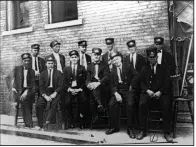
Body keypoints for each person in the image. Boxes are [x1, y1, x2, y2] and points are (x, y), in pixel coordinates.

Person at [136, 46, 173, 142]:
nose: (152, 59)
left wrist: (160, 92)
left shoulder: (163, 68)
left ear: (157, 57)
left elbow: (167, 82)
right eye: (150, 58)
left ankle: (167, 132)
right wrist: (147, 90)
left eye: (154, 57)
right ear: (148, 59)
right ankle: (142, 130)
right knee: (141, 104)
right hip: (148, 93)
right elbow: (141, 82)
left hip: (161, 93)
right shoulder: (144, 68)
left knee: (166, 105)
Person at [105, 52, 140, 139]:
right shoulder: (112, 70)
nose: (115, 61)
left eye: (117, 59)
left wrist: (131, 85)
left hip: (128, 90)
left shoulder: (128, 66)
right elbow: (112, 84)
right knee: (111, 104)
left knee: (130, 104)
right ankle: (114, 127)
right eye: (113, 60)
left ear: (121, 58)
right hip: (118, 90)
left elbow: (137, 75)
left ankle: (130, 128)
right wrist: (116, 94)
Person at [5, 53, 36, 128]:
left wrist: (27, 91)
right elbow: (8, 78)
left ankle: (28, 124)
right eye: (25, 61)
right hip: (16, 92)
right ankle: (25, 124)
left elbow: (32, 83)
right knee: (20, 102)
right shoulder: (17, 69)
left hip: (26, 91)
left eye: (28, 61)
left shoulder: (32, 71)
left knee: (26, 102)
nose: (27, 62)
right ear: (22, 61)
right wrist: (11, 88)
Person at [36, 55, 64, 130]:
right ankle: (41, 124)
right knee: (39, 104)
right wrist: (45, 96)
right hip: (45, 93)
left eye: (52, 63)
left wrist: (55, 93)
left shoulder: (59, 73)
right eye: (48, 63)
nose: (50, 65)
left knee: (54, 103)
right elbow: (41, 86)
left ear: (54, 64)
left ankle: (47, 122)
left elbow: (61, 85)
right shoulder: (42, 74)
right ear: (46, 64)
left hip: (55, 92)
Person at [124, 40, 147, 128]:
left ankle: (138, 123)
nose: (131, 49)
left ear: (135, 47)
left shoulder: (141, 58)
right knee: (130, 104)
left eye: (133, 47)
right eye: (130, 47)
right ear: (128, 48)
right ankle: (132, 123)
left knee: (138, 104)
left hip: (139, 84)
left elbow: (143, 72)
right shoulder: (125, 58)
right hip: (129, 85)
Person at [63, 50, 88, 129]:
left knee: (84, 100)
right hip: (70, 90)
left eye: (75, 57)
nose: (74, 59)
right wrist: (69, 89)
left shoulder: (82, 68)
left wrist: (80, 89)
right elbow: (64, 82)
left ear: (78, 58)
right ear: (70, 59)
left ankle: (81, 121)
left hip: (79, 89)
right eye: (72, 57)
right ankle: (71, 121)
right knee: (67, 102)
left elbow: (85, 81)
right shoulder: (66, 69)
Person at [86, 48, 110, 124]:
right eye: (95, 55)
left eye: (98, 55)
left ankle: (96, 115)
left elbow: (107, 77)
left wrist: (98, 83)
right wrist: (88, 84)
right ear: (92, 56)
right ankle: (99, 106)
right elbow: (87, 79)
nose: (96, 56)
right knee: (91, 96)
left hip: (103, 88)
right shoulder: (89, 66)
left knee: (93, 94)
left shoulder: (105, 65)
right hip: (93, 88)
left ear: (100, 56)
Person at [49, 40, 66, 129]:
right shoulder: (49, 57)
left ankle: (62, 120)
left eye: (58, 47)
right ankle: (52, 119)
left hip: (62, 79)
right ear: (52, 48)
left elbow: (63, 68)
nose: (58, 48)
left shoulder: (62, 57)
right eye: (56, 47)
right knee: (54, 99)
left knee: (63, 98)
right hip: (54, 80)